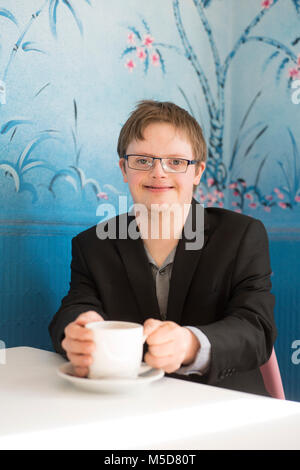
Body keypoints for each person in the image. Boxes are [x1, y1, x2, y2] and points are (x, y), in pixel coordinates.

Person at [48, 100, 277, 396]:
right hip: (128, 406)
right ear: (124, 168)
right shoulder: (93, 245)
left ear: (197, 173)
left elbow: (256, 329)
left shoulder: (241, 235)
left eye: (176, 161)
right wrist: (76, 330)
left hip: (226, 406)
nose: (158, 172)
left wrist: (191, 344)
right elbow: (73, 309)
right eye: (143, 160)